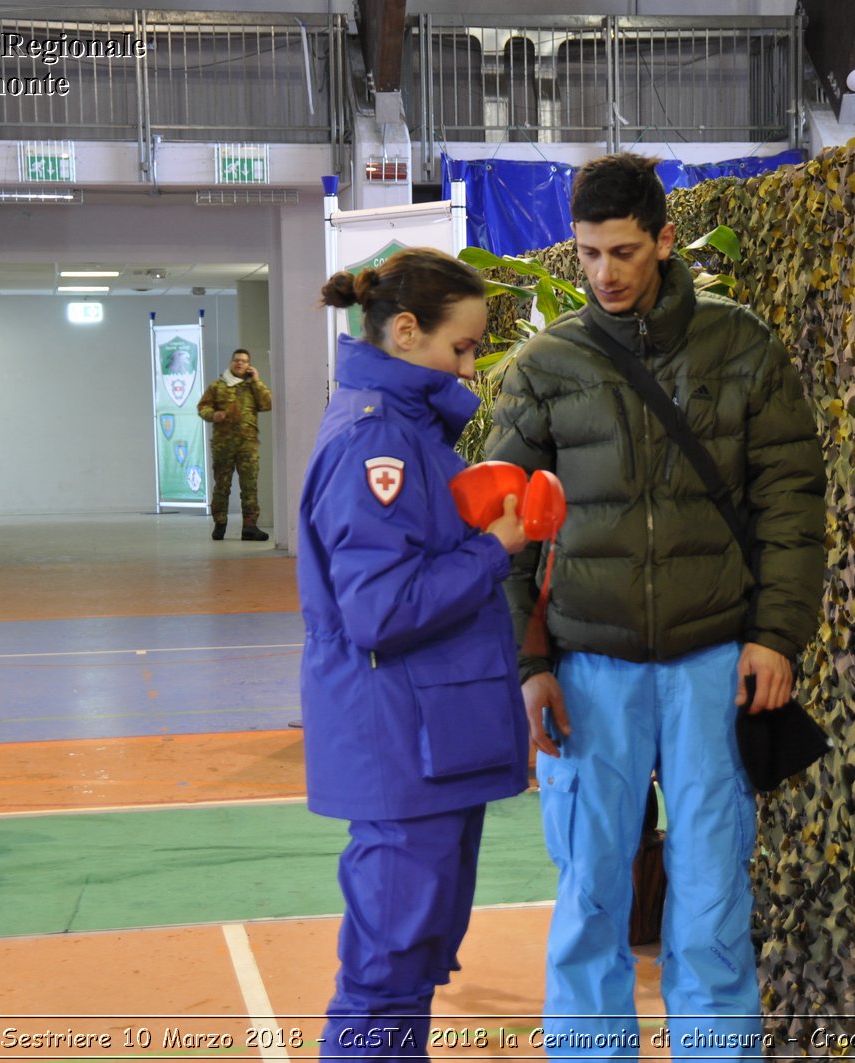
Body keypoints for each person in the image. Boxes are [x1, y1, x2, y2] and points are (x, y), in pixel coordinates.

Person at [484, 153, 826, 1054]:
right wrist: (529, 666)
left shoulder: (742, 346)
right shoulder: (546, 363)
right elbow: (503, 528)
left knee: (713, 895)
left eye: (625, 251)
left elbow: (792, 502)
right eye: (590, 253)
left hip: (714, 661)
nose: (606, 273)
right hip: (586, 667)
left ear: (666, 241)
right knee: (590, 895)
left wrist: (777, 635)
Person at [300, 248, 530, 1058]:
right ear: (406, 332)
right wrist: (492, 550)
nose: (471, 365)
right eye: (462, 348)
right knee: (386, 972)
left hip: (427, 743)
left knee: (411, 963)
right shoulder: (377, 446)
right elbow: (381, 609)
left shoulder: (410, 433)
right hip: (402, 748)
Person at [197, 348, 272, 541]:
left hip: (248, 445)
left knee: (249, 486)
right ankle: (219, 524)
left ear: (249, 365)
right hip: (224, 444)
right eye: (237, 360)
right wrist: (213, 415)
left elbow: (267, 403)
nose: (240, 363)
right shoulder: (218, 385)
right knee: (222, 486)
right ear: (231, 363)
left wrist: (256, 380)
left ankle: (250, 526)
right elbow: (202, 406)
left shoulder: (252, 387)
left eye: (244, 361)